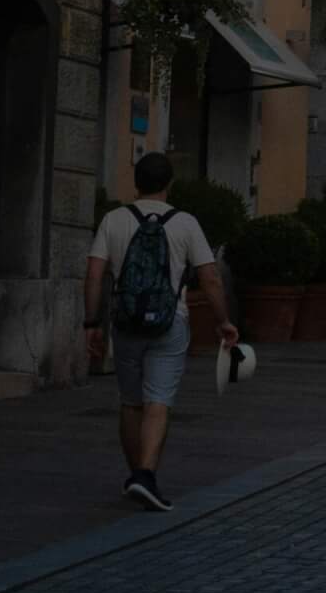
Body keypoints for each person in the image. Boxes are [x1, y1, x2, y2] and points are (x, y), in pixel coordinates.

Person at [85, 152, 240, 512]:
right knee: (158, 401)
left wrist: (90, 323)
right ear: (169, 184)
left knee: (130, 401)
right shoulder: (185, 223)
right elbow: (211, 278)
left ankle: (137, 473)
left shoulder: (113, 220)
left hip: (125, 324)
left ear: (135, 182)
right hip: (171, 321)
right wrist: (223, 321)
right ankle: (145, 474)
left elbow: (94, 275)